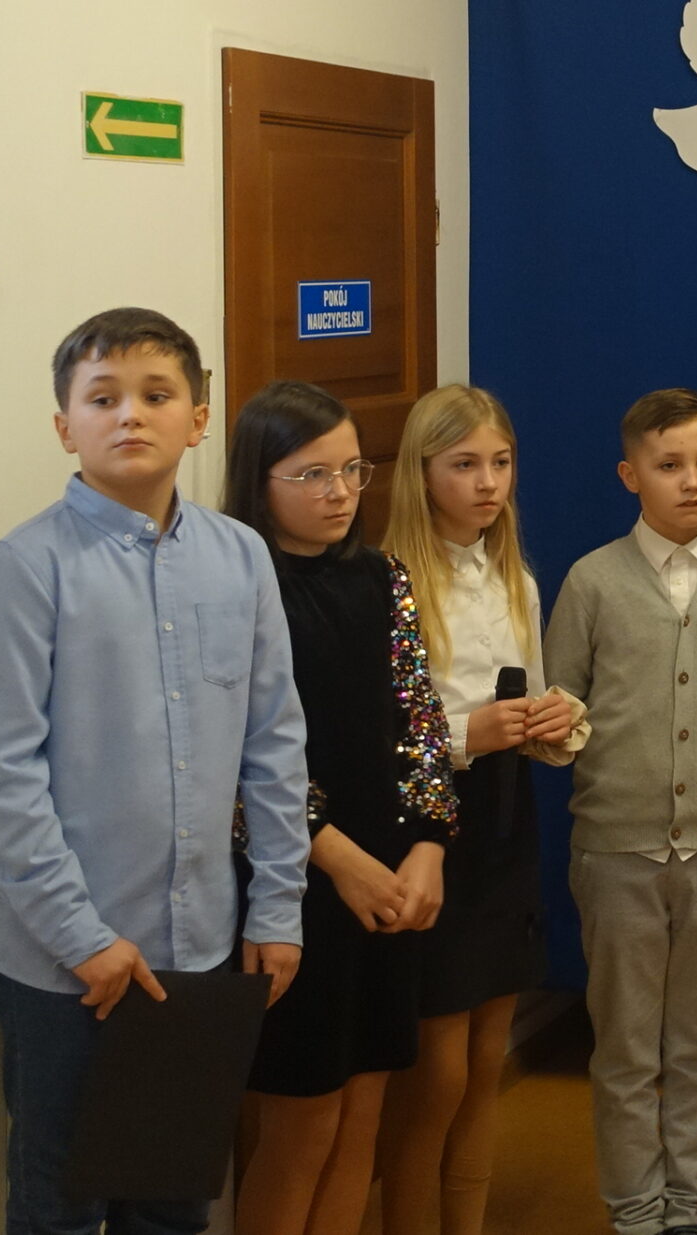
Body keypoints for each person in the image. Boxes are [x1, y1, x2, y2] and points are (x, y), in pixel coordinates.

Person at [0, 308, 308, 1235]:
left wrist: (278, 904)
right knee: (60, 1210)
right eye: (102, 398)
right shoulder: (26, 568)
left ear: (199, 418)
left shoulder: (241, 557)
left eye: (156, 394)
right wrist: (83, 938)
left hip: (199, 953)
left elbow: (275, 742)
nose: (129, 416)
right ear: (64, 425)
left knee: (173, 1206)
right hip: (68, 968)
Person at [223, 382, 456, 1235]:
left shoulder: (380, 576)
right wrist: (336, 855)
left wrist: (427, 842)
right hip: (295, 883)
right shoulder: (238, 587)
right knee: (303, 1125)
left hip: (388, 880)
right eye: (313, 474)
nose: (341, 493)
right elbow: (234, 759)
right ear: (260, 479)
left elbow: (420, 718)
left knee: (363, 1112)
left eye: (354, 470)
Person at [544, 388, 697, 1235]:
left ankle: (690, 1205)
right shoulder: (592, 581)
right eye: (669, 464)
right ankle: (637, 1208)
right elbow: (564, 699)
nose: (691, 480)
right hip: (618, 851)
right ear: (629, 474)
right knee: (626, 1044)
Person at [379, 386, 582, 1235]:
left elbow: (527, 704)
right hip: (430, 829)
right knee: (438, 1074)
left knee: (486, 1060)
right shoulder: (392, 583)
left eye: (500, 462)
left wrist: (555, 722)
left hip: (505, 821)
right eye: (465, 464)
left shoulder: (515, 579)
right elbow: (382, 735)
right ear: (423, 473)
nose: (488, 482)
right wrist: (468, 734)